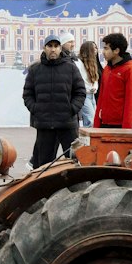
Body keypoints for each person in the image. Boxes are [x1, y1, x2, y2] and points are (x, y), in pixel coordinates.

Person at [23, 36, 86, 168]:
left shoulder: (71, 68)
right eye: (49, 46)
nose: (53, 49)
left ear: (60, 48)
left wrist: (72, 109)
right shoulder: (35, 70)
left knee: (75, 163)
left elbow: (80, 92)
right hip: (45, 125)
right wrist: (36, 109)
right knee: (43, 167)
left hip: (67, 124)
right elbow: (28, 94)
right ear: (44, 48)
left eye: (56, 46)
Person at [93, 32, 132, 130]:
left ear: (116, 50)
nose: (103, 52)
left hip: (119, 126)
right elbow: (101, 98)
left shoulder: (130, 70)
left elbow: (130, 102)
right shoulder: (106, 69)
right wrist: (96, 125)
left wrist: (126, 130)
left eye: (106, 48)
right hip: (104, 123)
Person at [77, 40, 101, 126]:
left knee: (93, 120)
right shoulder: (78, 63)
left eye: (96, 48)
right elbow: (79, 80)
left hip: (92, 95)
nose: (96, 50)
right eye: (93, 48)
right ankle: (87, 139)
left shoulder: (93, 62)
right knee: (91, 121)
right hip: (84, 95)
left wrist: (95, 87)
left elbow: (95, 79)